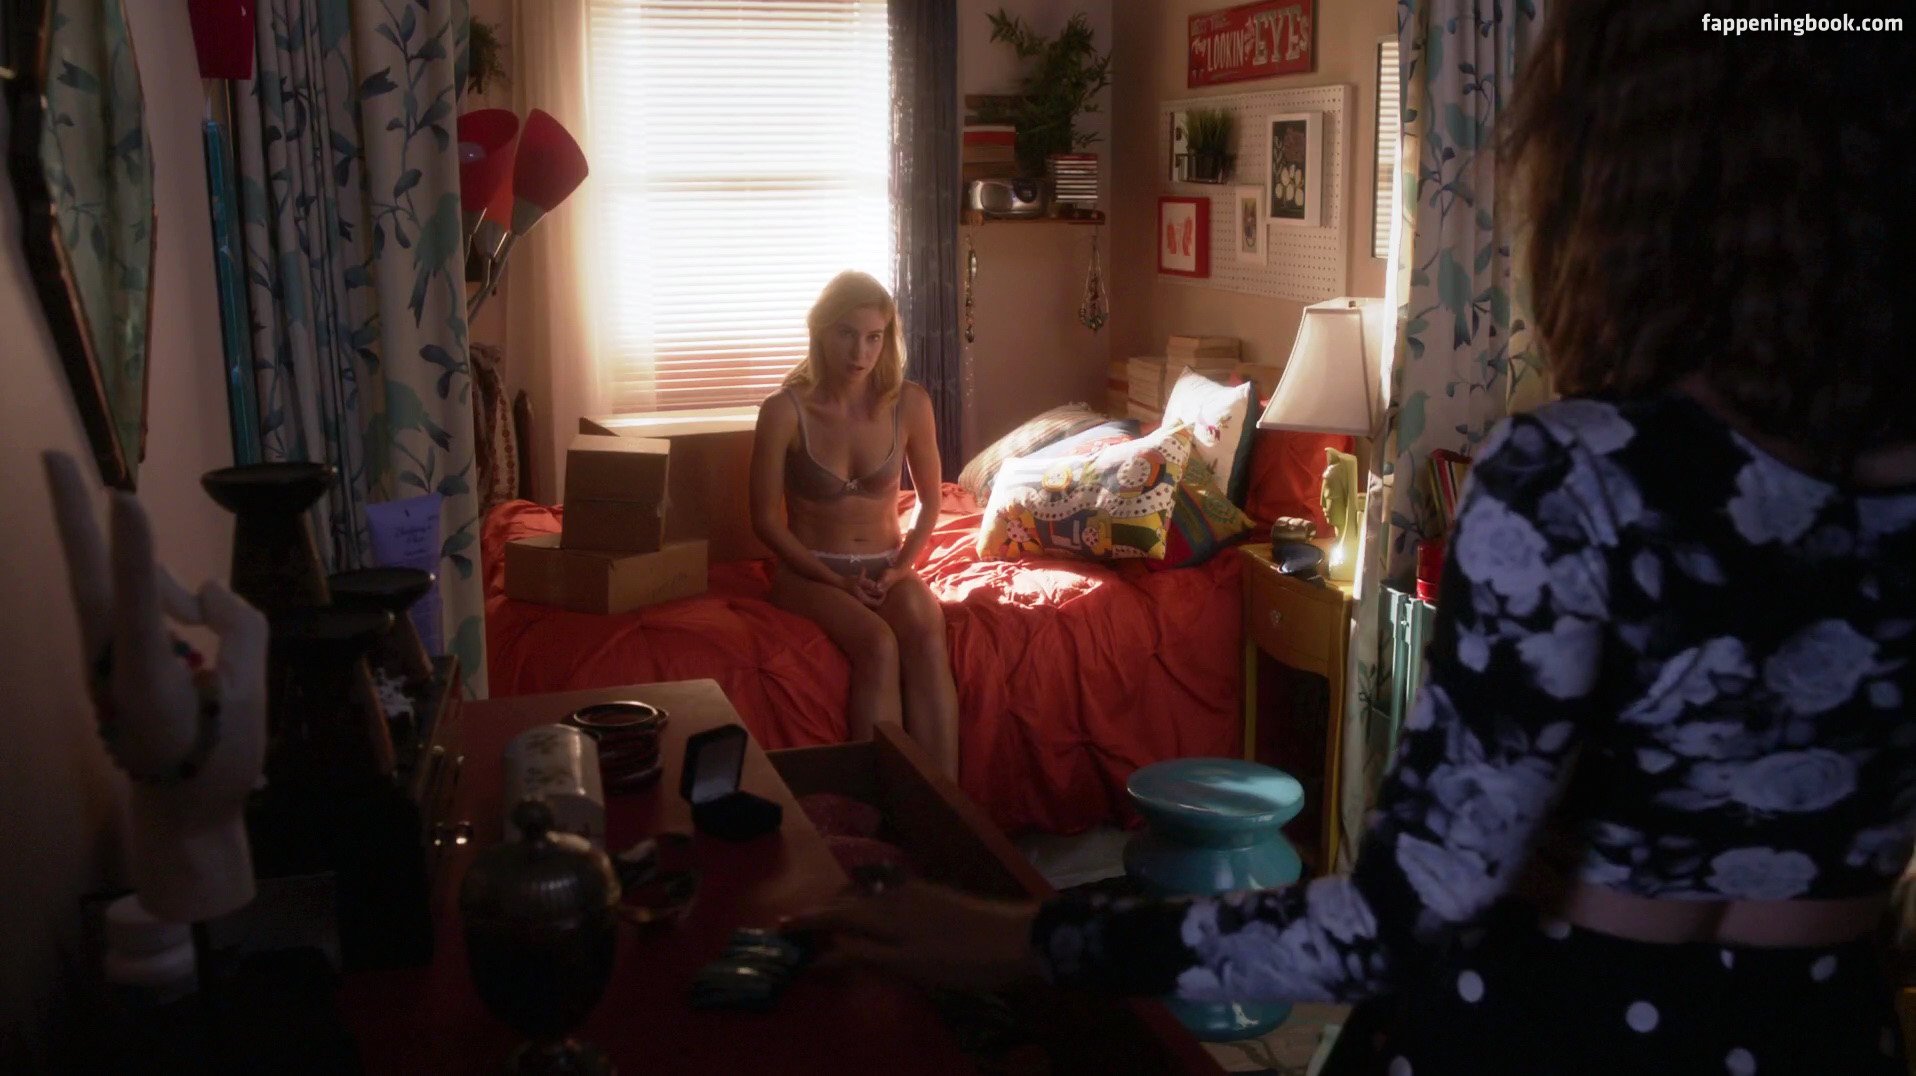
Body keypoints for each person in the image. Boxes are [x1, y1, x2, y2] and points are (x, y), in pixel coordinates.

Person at [788, 4, 1916, 1072]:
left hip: (1557, 1033)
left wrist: (1024, 936)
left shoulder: (1581, 479)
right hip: (1821, 1036)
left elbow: (1391, 919)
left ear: (1625, 179)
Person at [750, 271, 960, 778]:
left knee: (926, 629)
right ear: (821, 330)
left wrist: (902, 567)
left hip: (887, 565)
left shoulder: (909, 403)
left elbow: (931, 504)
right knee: (878, 644)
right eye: (846, 333)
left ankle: (945, 805)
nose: (860, 352)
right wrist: (834, 580)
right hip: (809, 572)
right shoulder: (783, 411)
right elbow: (764, 521)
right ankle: (881, 803)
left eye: (873, 337)